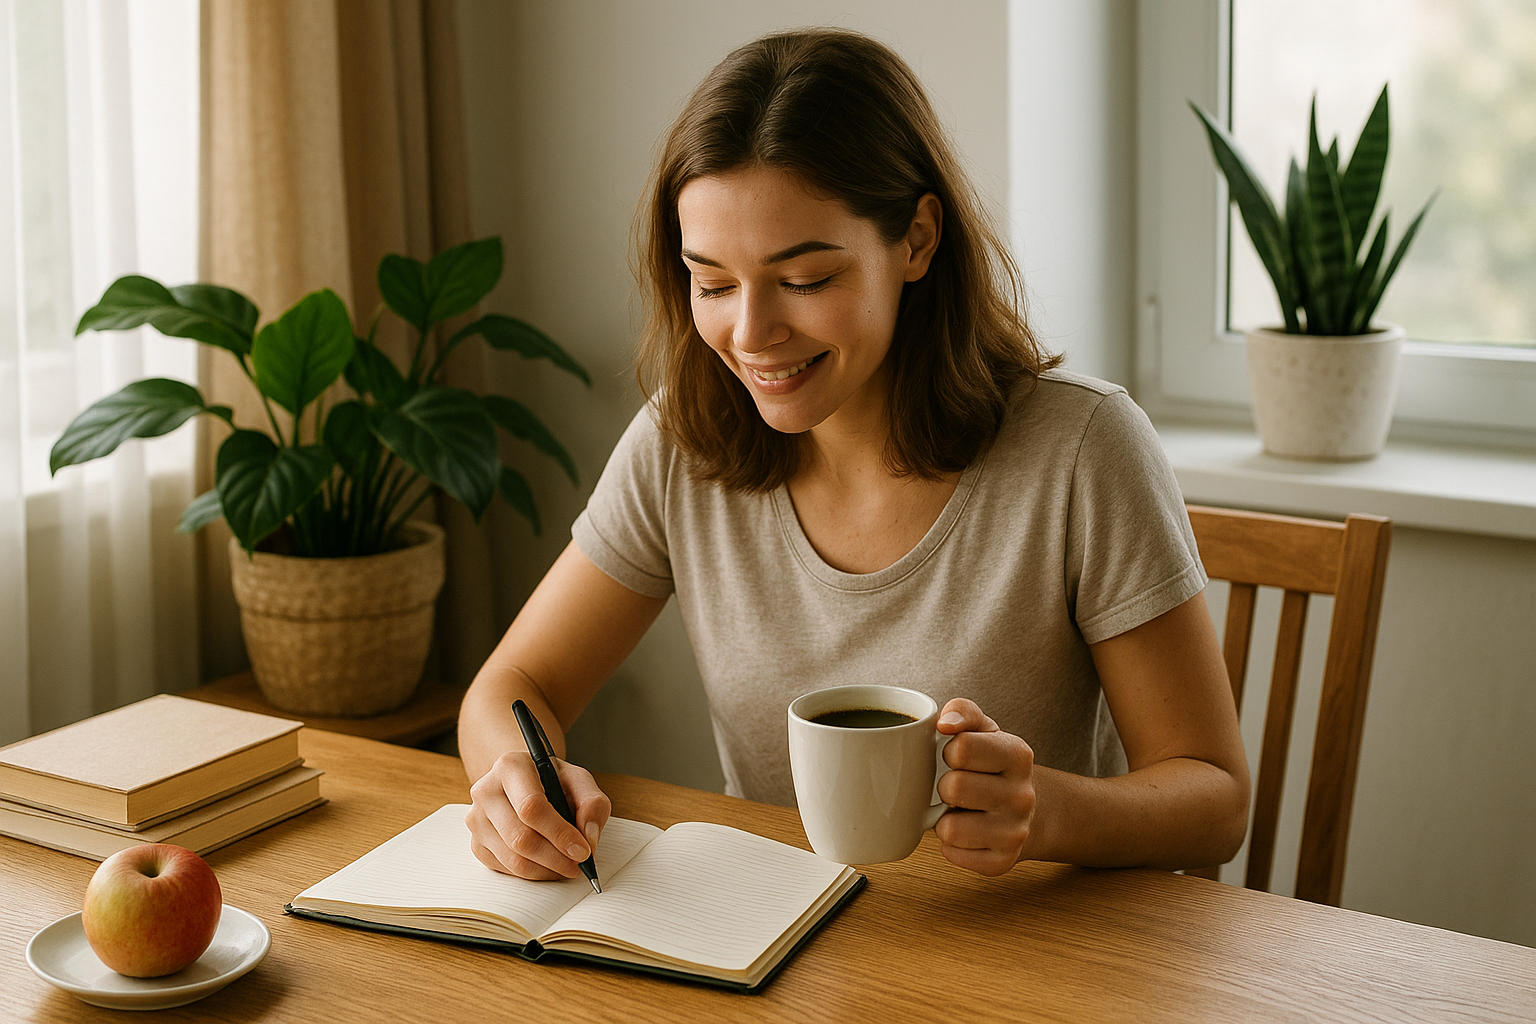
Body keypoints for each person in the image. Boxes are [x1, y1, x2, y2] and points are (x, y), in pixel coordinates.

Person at [458, 27, 1249, 882]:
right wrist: (518, 783)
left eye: (804, 280)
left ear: (917, 239)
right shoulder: (681, 440)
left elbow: (1215, 801)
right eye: (712, 283)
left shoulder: (1084, 450)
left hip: (1023, 940)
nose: (750, 334)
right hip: (767, 930)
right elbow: (516, 682)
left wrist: (1046, 810)